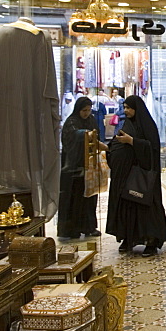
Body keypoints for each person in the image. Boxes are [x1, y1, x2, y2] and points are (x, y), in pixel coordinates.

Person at [104, 95, 166, 257]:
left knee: (146, 208)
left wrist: (132, 141)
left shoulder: (147, 125)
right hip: (126, 176)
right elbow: (117, 143)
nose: (126, 110)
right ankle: (129, 238)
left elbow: (151, 148)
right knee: (127, 206)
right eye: (124, 107)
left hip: (143, 177)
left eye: (129, 108)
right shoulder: (126, 124)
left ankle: (151, 241)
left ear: (137, 108)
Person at [58, 97, 106, 240]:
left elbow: (97, 135)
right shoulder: (71, 122)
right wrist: (86, 134)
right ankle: (71, 230)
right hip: (74, 169)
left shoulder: (91, 119)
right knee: (74, 199)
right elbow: (72, 135)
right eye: (84, 110)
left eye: (89, 110)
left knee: (89, 198)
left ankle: (89, 227)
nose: (86, 113)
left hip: (89, 167)